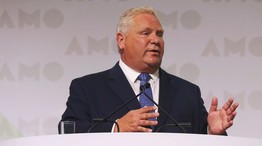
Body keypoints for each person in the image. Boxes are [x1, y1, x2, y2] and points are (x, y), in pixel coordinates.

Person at [59, 6, 239, 134]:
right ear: (121, 40)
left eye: (159, 34)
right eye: (145, 33)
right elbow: (68, 130)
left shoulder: (187, 92)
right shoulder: (88, 88)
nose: (155, 40)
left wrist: (212, 132)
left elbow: (203, 145)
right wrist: (116, 128)